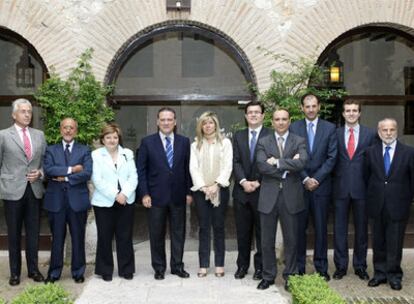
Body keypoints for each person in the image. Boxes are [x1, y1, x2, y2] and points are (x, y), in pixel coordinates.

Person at [136, 107, 192, 280]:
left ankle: (177, 266)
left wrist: (189, 192)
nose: (166, 122)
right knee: (156, 234)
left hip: (178, 196)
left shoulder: (184, 142)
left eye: (169, 119)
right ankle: (159, 268)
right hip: (155, 197)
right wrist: (144, 194)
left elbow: (187, 169)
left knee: (178, 233)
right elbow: (141, 171)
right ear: (157, 122)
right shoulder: (147, 142)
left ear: (175, 122)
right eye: (163, 119)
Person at [255, 108, 308, 291]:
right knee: (266, 241)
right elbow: (261, 165)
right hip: (268, 197)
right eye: (277, 119)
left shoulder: (299, 140)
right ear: (272, 121)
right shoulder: (263, 141)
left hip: (291, 197)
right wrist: (288, 165)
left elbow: (302, 162)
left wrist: (277, 162)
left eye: (284, 119)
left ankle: (290, 276)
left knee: (292, 239)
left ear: (290, 121)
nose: (281, 122)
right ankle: (268, 276)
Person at [290, 93, 337, 280]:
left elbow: (332, 157)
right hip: (299, 187)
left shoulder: (330, 128)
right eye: (307, 106)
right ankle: (299, 268)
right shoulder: (294, 128)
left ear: (319, 107)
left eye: (313, 106)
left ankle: (322, 268)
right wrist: (305, 178)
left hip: (322, 187)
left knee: (321, 229)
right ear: (302, 108)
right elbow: (291, 155)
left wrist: (316, 179)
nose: (310, 109)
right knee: (298, 230)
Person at [0, 98, 46, 286]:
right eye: (23, 111)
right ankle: (15, 273)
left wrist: (41, 173)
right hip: (12, 191)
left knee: (33, 232)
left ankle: (33, 270)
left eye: (29, 111)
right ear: (14, 114)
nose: (27, 114)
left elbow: (44, 162)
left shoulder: (39, 135)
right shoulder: (3, 135)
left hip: (34, 190)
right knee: (14, 234)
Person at [365, 118, 414, 291]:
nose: (388, 133)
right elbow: (366, 178)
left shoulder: (408, 152)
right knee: (378, 242)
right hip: (376, 204)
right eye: (384, 130)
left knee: (394, 243)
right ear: (379, 132)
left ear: (397, 131)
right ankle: (379, 274)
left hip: (398, 205)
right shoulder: (370, 152)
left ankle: (394, 275)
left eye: (392, 130)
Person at [43, 118, 92, 284]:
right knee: (57, 238)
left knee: (78, 237)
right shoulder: (50, 150)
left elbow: (86, 173)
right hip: (56, 201)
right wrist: (72, 169)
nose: (68, 130)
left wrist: (63, 178)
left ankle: (78, 272)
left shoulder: (84, 150)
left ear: (76, 131)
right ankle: (54, 272)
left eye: (71, 128)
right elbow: (49, 170)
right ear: (60, 130)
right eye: (65, 127)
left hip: (77, 201)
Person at [332, 100, 376, 281]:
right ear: (343, 114)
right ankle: (341, 266)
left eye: (354, 110)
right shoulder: (335, 134)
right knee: (339, 230)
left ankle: (360, 266)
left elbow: (374, 162)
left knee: (361, 230)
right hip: (340, 188)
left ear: (359, 113)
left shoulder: (370, 134)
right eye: (347, 111)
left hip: (362, 189)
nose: (351, 113)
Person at [91, 123, 138, 281]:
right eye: (108, 137)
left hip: (126, 200)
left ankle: (127, 269)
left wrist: (124, 193)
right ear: (103, 140)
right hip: (104, 202)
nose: (112, 140)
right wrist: (115, 194)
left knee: (125, 236)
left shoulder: (127, 153)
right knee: (105, 237)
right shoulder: (96, 155)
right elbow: (97, 179)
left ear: (119, 139)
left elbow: (134, 176)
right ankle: (105, 270)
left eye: (115, 137)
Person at [189, 111, 232, 278]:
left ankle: (220, 264)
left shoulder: (225, 143)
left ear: (216, 125)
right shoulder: (195, 145)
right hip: (201, 191)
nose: (208, 126)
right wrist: (204, 187)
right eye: (204, 123)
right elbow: (193, 167)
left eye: (211, 123)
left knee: (219, 227)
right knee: (204, 228)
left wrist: (216, 185)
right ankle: (204, 265)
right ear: (201, 126)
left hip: (220, 190)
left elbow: (227, 166)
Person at [232, 101, 271, 280]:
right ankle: (242, 266)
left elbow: (272, 161)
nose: (253, 115)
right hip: (242, 193)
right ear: (246, 116)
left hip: (263, 192)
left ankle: (260, 268)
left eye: (257, 112)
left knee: (262, 233)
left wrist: (258, 182)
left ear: (263, 115)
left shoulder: (271, 135)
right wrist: (243, 181)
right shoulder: (238, 136)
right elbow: (236, 161)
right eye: (250, 112)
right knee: (242, 233)